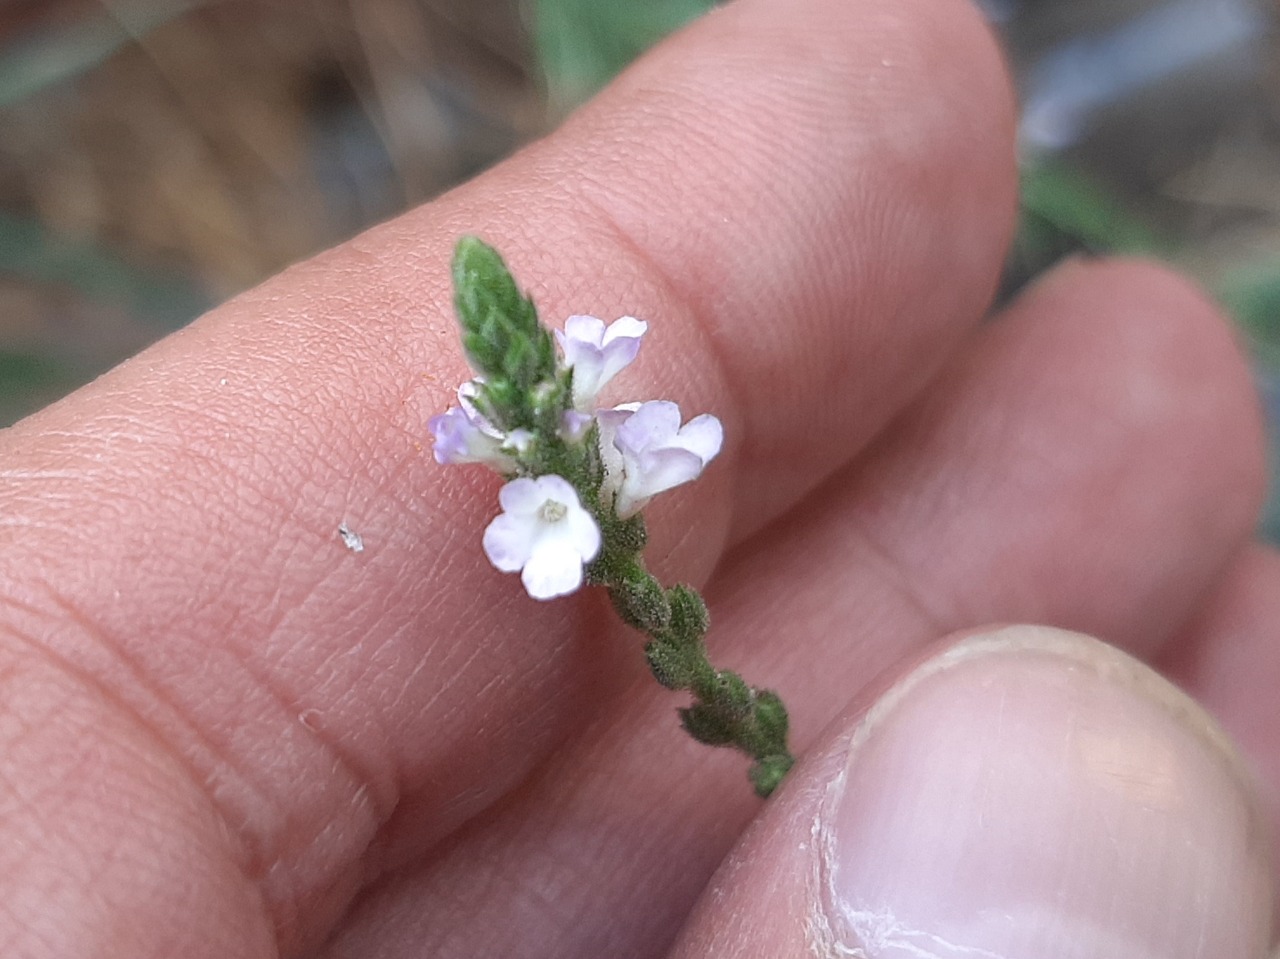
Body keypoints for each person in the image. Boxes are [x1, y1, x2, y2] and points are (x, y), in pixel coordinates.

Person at [0, 0, 1275, 955]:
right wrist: (553, 494)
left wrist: (585, 487)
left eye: (552, 488)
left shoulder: (596, 487)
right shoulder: (545, 501)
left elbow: (634, 525)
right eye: (542, 489)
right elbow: (559, 520)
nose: (549, 494)